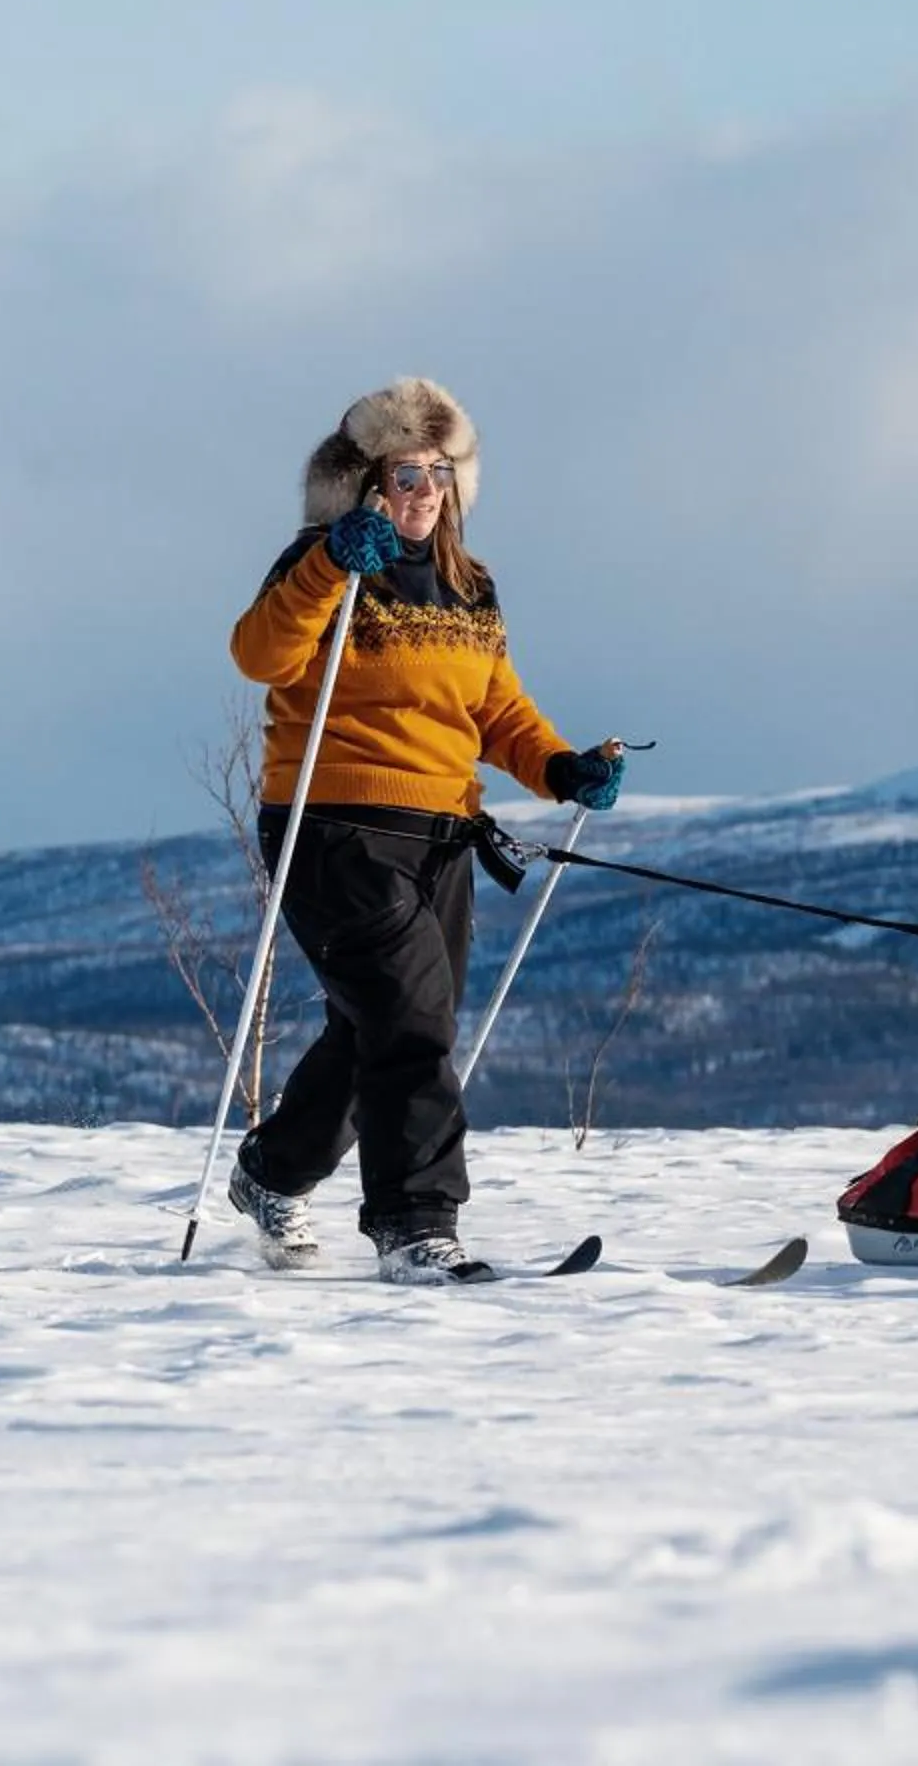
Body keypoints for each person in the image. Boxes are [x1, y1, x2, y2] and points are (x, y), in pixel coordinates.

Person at [224, 377, 624, 1284]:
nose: (425, 492)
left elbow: (495, 707)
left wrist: (560, 767)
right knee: (409, 1025)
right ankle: (414, 1225)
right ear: (367, 483)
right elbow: (261, 656)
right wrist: (330, 564)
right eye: (407, 474)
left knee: (382, 1024)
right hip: (332, 824)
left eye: (441, 474)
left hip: (442, 829)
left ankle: (272, 1171)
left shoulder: (467, 585)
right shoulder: (323, 562)